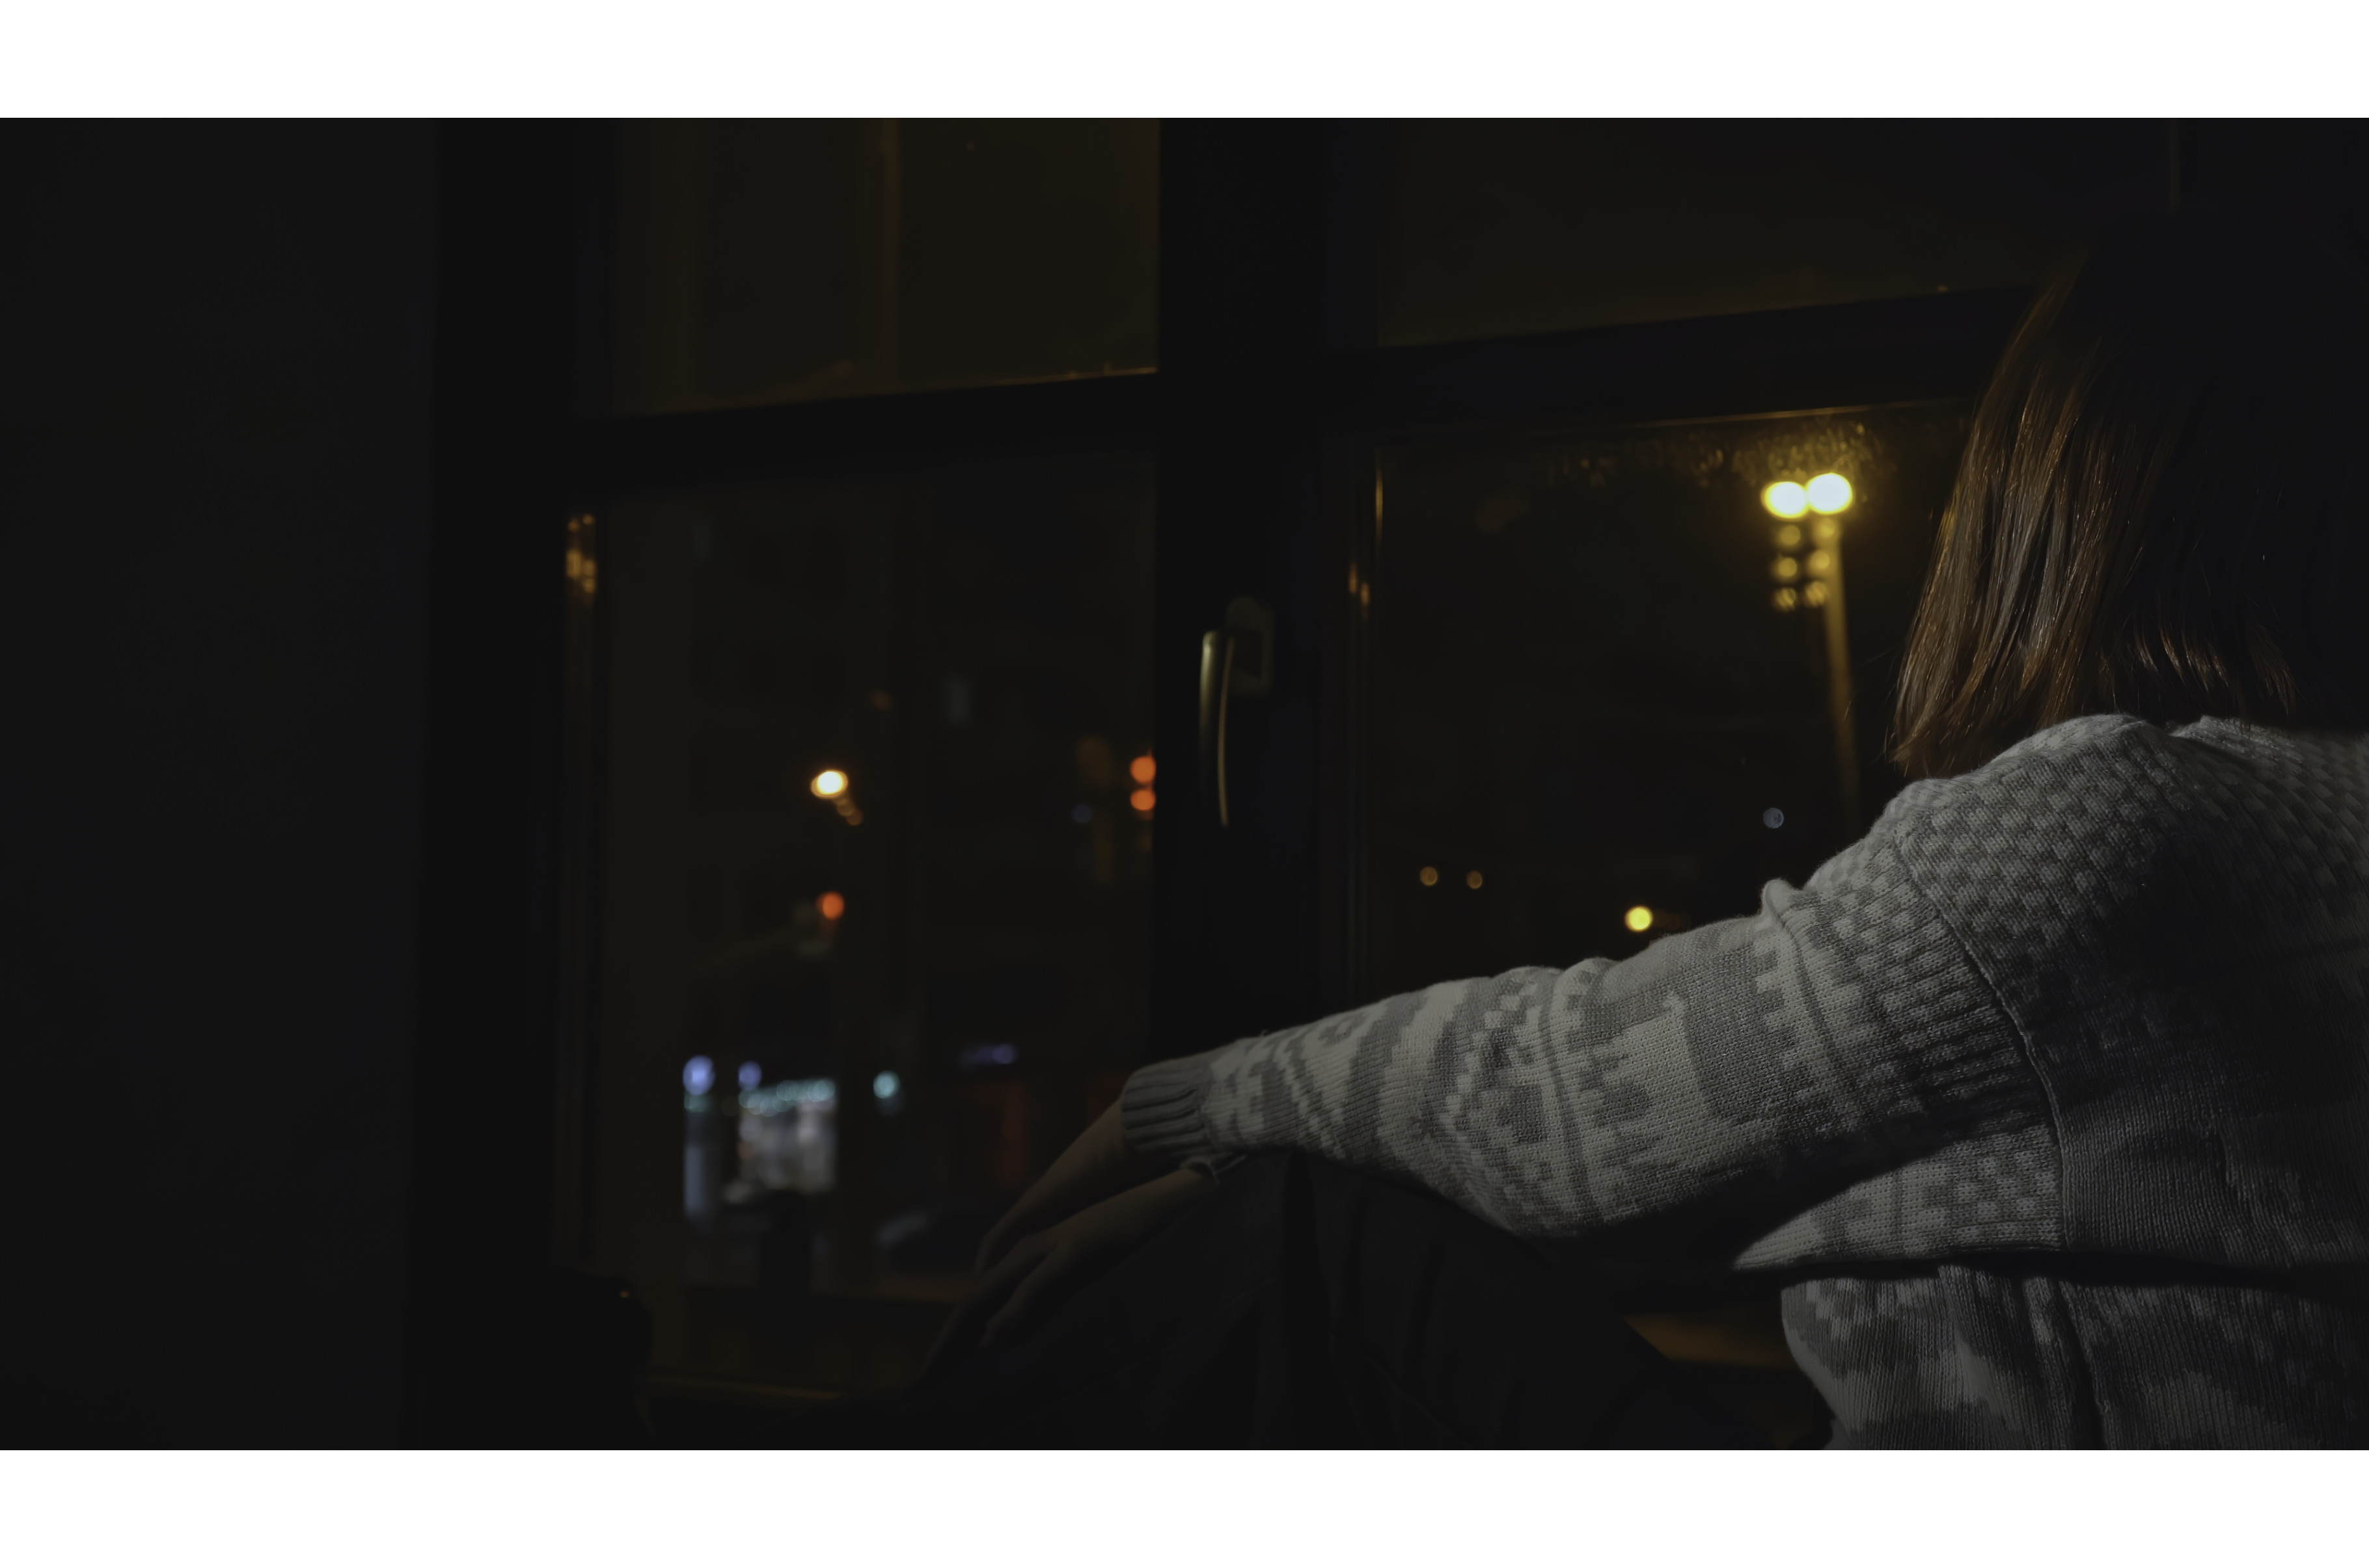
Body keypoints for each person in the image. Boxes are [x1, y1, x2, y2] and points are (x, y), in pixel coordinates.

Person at [845, 208, 2369, 1447]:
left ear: (2055, 498)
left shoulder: (2116, 830)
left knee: (1305, 1248)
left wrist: (1169, 1113)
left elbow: (1571, 1099)